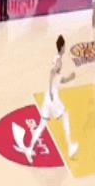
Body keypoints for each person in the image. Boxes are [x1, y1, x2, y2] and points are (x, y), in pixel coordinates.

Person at [25, 35, 79, 163]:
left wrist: (70, 78)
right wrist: (50, 89)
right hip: (52, 96)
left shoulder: (55, 59)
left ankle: (29, 149)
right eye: (64, 46)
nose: (65, 48)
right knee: (65, 116)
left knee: (42, 125)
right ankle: (70, 147)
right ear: (62, 47)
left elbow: (59, 79)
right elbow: (52, 73)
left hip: (48, 98)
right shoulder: (59, 60)